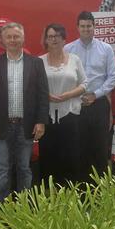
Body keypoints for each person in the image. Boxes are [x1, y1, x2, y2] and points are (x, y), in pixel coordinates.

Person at [0, 22, 49, 201]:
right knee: (3, 168)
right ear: (3, 40)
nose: (13, 40)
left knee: (24, 168)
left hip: (26, 125)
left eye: (16, 36)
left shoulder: (36, 63)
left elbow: (43, 95)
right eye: (9, 37)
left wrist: (41, 121)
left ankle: (24, 207)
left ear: (23, 38)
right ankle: (4, 208)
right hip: (2, 125)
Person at [64, 11, 115, 181]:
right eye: (83, 26)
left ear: (95, 27)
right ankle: (80, 185)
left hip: (99, 103)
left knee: (100, 146)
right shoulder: (68, 49)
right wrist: (76, 95)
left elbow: (113, 77)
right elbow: (65, 75)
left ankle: (100, 185)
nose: (86, 29)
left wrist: (96, 94)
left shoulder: (106, 49)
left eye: (89, 26)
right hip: (76, 104)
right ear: (77, 28)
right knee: (78, 146)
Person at [39, 23, 86, 184]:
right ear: (46, 40)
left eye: (57, 36)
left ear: (64, 39)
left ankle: (71, 193)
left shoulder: (74, 60)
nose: (54, 40)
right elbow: (34, 87)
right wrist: (46, 96)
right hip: (47, 116)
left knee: (71, 155)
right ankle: (49, 196)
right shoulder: (39, 62)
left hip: (70, 114)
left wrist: (68, 95)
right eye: (50, 36)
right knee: (49, 156)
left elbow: (84, 84)